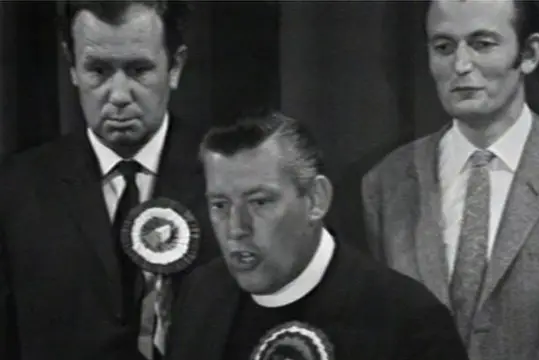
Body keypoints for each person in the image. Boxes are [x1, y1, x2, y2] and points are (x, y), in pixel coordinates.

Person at [361, 1, 539, 359]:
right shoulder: (385, 183)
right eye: (444, 47)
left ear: (529, 54)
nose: (461, 65)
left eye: (483, 44)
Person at [0, 1, 219, 359]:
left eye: (138, 70)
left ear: (175, 66)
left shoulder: (229, 180)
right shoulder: (13, 192)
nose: (118, 96)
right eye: (98, 71)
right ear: (71, 66)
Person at [165, 110, 468, 360]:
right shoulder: (201, 293)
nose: (236, 228)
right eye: (220, 205)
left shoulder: (409, 320)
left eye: (259, 202)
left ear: (316, 200)